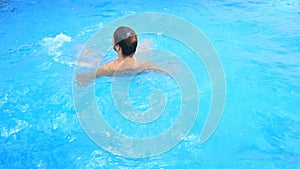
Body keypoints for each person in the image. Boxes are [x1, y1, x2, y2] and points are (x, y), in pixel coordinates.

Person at [77, 26, 164, 86]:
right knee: (147, 43)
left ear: (117, 47)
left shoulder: (108, 69)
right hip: (135, 65)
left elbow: (84, 80)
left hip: (116, 66)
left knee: (88, 53)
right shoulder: (146, 66)